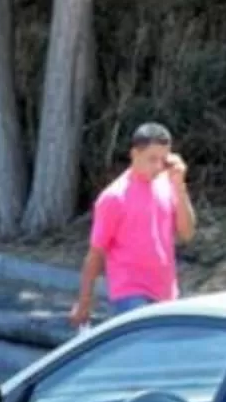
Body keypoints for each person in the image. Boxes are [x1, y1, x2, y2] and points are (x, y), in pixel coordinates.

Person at [70, 122, 195, 329]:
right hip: (130, 292)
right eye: (152, 159)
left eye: (163, 160)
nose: (158, 166)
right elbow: (96, 254)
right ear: (134, 154)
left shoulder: (167, 182)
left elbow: (187, 233)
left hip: (166, 291)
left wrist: (180, 186)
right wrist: (84, 302)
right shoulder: (114, 198)